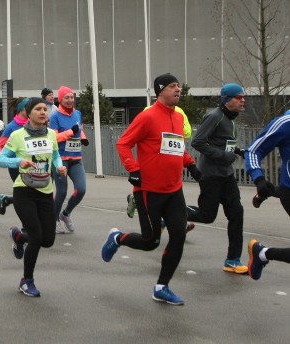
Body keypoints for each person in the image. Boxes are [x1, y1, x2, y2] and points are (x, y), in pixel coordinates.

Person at [100, 73, 201, 305]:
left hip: (174, 190)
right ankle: (117, 238)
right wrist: (133, 168)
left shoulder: (177, 117)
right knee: (150, 242)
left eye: (179, 86)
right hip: (149, 191)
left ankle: (162, 287)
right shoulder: (148, 117)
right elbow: (123, 143)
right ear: (160, 90)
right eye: (173, 86)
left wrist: (191, 165)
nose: (178, 90)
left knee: (178, 235)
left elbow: (176, 147)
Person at [0, 97, 67, 297]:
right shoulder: (18, 135)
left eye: (45, 109)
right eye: (38, 109)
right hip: (24, 191)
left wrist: (59, 167)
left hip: (45, 191)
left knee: (48, 240)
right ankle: (26, 281)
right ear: (29, 112)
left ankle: (18, 237)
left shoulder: (52, 134)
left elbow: (54, 155)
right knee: (36, 236)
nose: (43, 112)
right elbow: (0, 159)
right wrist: (20, 161)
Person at [185, 83, 248, 274]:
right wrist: (223, 156)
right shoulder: (214, 117)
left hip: (226, 175)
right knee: (207, 215)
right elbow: (197, 142)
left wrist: (238, 151)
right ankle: (172, 213)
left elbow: (223, 144)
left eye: (243, 97)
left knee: (237, 213)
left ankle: (233, 260)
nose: (243, 100)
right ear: (227, 99)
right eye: (239, 97)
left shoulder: (231, 118)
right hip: (211, 175)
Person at [244, 107, 290, 280]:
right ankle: (263, 254)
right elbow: (254, 150)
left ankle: (262, 254)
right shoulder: (285, 124)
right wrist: (259, 179)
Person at [49, 86, 89, 234]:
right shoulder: (55, 117)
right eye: (67, 97)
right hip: (60, 159)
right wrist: (70, 132)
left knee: (81, 189)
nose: (70, 100)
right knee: (62, 192)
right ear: (60, 99)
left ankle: (65, 214)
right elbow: (54, 138)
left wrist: (83, 138)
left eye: (72, 97)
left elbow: (80, 129)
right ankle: (54, 220)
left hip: (76, 159)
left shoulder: (77, 113)